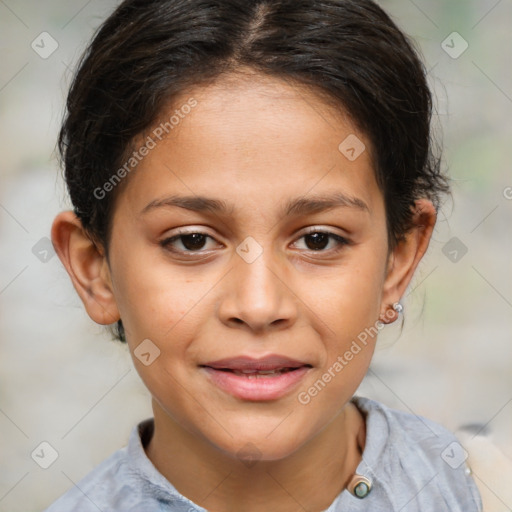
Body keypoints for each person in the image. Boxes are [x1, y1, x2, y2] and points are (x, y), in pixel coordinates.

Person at [46, 0, 483, 510]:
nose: (258, 306)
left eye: (319, 240)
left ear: (397, 260)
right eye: (192, 240)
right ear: (94, 270)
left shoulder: (481, 490)